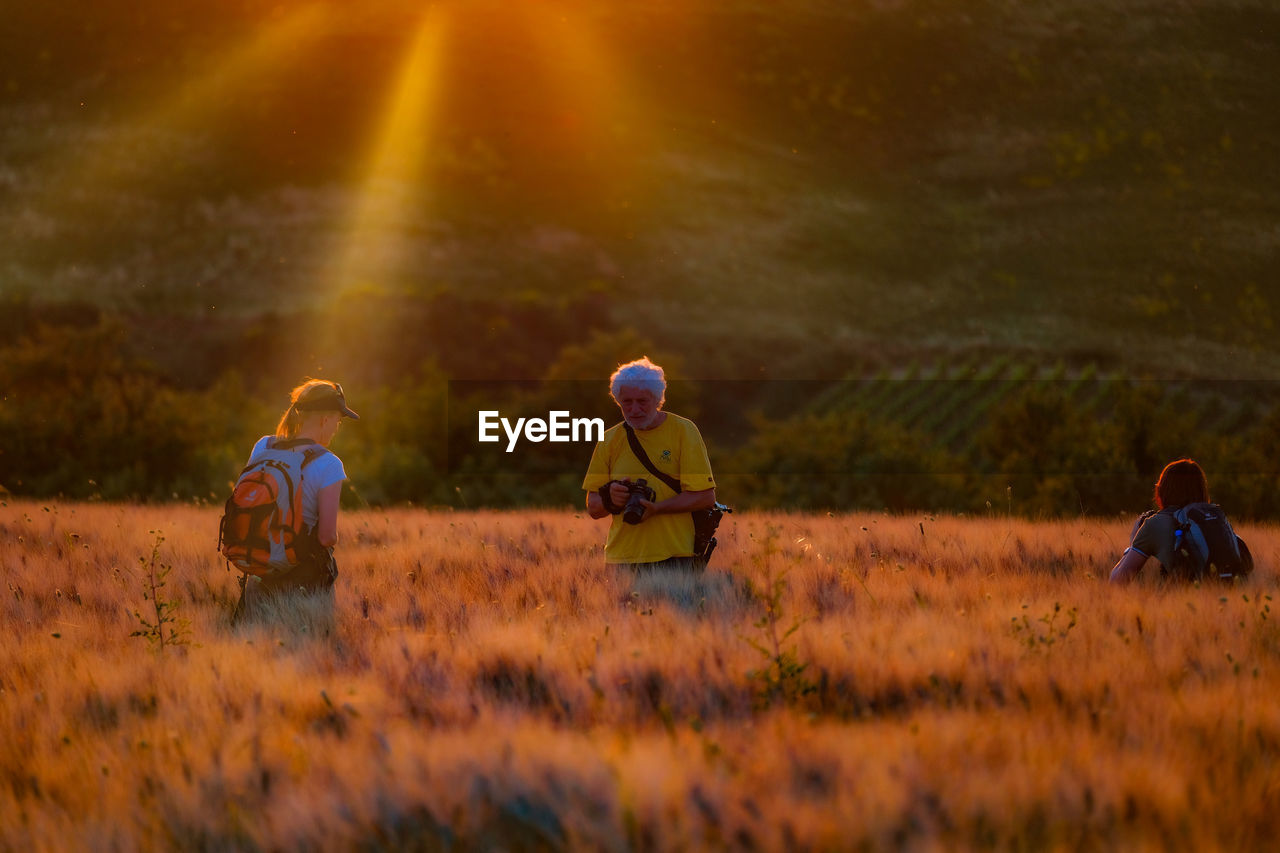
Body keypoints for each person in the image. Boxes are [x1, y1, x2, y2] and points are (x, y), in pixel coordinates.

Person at [232, 379, 359, 619]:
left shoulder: (263, 445)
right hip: (303, 584)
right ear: (325, 419)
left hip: (259, 572)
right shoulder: (329, 464)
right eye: (338, 421)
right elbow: (326, 536)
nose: (336, 427)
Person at [582, 357, 717, 571]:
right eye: (627, 401)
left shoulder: (683, 431)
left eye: (642, 401)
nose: (634, 409)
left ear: (657, 400)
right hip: (621, 559)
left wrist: (657, 508)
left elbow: (705, 496)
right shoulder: (609, 439)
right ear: (618, 401)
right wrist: (611, 497)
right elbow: (593, 507)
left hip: (675, 557)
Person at [1109, 458, 1249, 584]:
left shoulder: (1155, 523)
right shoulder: (1216, 518)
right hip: (1227, 603)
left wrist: (1133, 543)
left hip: (1186, 606)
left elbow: (1117, 581)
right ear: (1202, 489)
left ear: (1162, 491)